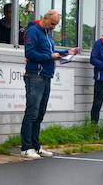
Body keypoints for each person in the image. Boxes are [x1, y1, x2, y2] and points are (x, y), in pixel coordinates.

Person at [21, 9, 79, 159]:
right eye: (53, 23)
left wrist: (67, 51)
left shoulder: (47, 34)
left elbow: (52, 52)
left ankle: (36, 146)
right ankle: (26, 147)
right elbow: (30, 53)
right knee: (32, 112)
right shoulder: (33, 31)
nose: (54, 27)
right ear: (45, 19)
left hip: (46, 77)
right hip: (35, 76)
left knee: (40, 113)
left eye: (56, 24)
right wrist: (50, 56)